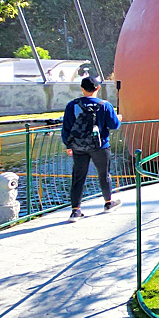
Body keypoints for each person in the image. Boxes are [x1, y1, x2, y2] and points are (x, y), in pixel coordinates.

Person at [61, 77, 121, 221]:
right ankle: (108, 203)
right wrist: (118, 118)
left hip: (78, 147)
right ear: (97, 88)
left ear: (82, 88)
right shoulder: (105, 105)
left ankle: (76, 211)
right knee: (104, 174)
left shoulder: (72, 105)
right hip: (100, 146)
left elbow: (66, 128)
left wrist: (68, 145)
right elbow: (114, 125)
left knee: (78, 177)